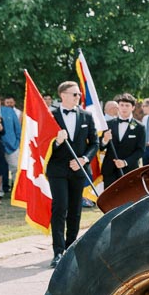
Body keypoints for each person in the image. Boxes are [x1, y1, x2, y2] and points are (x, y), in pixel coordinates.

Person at [47, 80, 99, 267]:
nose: (78, 97)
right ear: (63, 95)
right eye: (74, 94)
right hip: (58, 170)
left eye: (79, 94)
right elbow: (43, 145)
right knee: (60, 207)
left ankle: (70, 248)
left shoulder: (86, 116)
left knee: (75, 210)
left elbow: (95, 143)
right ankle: (58, 251)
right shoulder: (50, 116)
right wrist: (58, 142)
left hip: (79, 170)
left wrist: (84, 159)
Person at [104, 93, 145, 186]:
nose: (124, 108)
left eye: (127, 105)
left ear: (133, 107)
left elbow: (140, 151)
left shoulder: (139, 127)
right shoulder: (108, 124)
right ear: (118, 106)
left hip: (129, 170)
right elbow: (101, 146)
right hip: (110, 170)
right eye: (121, 105)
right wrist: (105, 140)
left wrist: (125, 162)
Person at [0, 95, 22, 185]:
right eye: (7, 103)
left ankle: (15, 187)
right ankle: (5, 187)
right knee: (2, 168)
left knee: (16, 167)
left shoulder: (20, 113)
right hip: (3, 144)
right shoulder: (1, 112)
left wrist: (17, 142)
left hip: (15, 144)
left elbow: (18, 129)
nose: (9, 104)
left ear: (14, 102)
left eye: (11, 102)